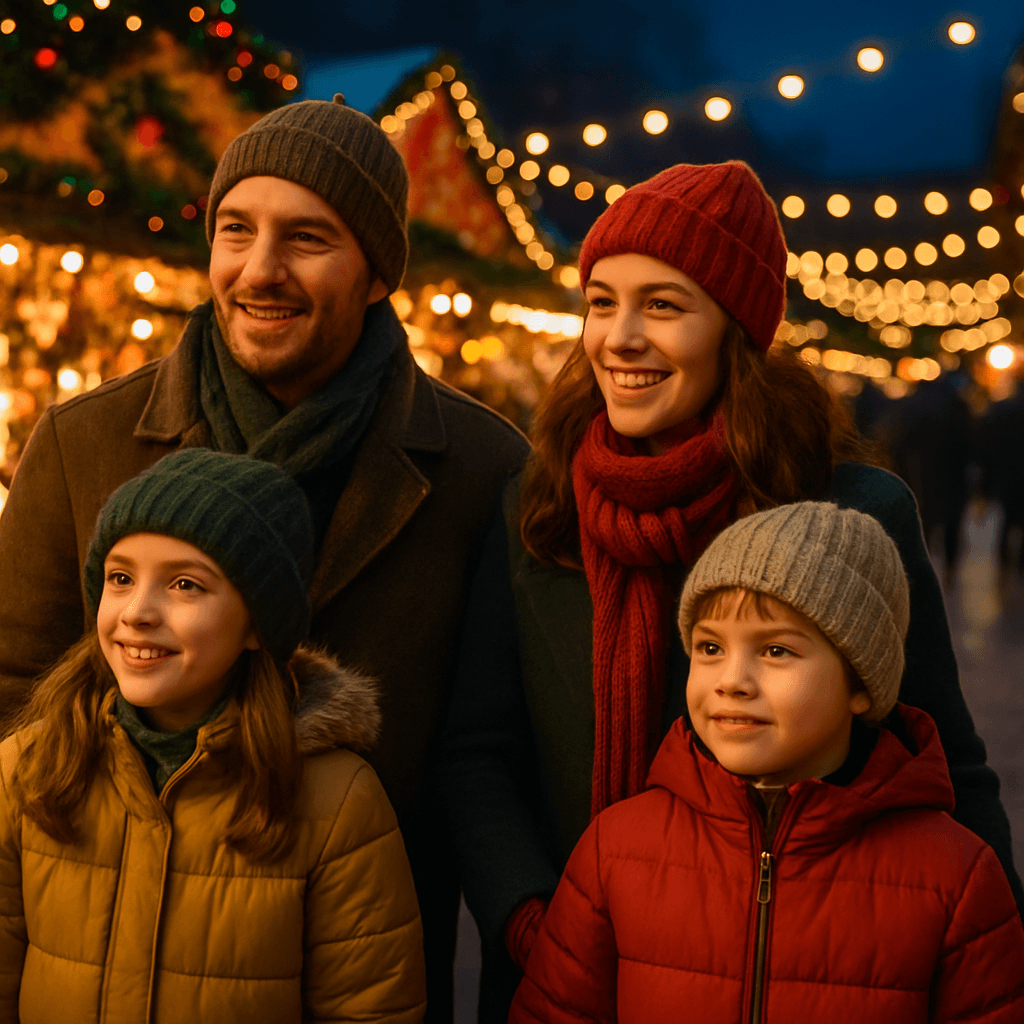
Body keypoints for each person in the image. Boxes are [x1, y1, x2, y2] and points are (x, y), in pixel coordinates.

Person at [439, 160, 1022, 1020]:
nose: (619, 337)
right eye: (602, 302)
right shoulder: (541, 503)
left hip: (812, 975)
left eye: (663, 305)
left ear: (735, 328)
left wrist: (992, 957)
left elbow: (939, 751)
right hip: (560, 977)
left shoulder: (849, 508)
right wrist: (533, 920)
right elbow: (476, 752)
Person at [0, 97, 528, 1019]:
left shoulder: (484, 469)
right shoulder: (86, 443)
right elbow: (13, 689)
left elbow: (486, 746)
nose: (260, 269)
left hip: (361, 962)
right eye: (235, 230)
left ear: (376, 272)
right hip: (103, 950)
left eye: (308, 238)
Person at [508, 502, 1024, 1023]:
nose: (731, 680)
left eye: (775, 651)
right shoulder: (614, 850)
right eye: (710, 647)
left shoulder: (957, 879)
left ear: (861, 684)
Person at [0, 449, 427, 1022]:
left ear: (256, 624)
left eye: (184, 585)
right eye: (120, 578)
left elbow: (370, 1010)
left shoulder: (337, 804)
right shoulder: (29, 768)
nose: (138, 612)